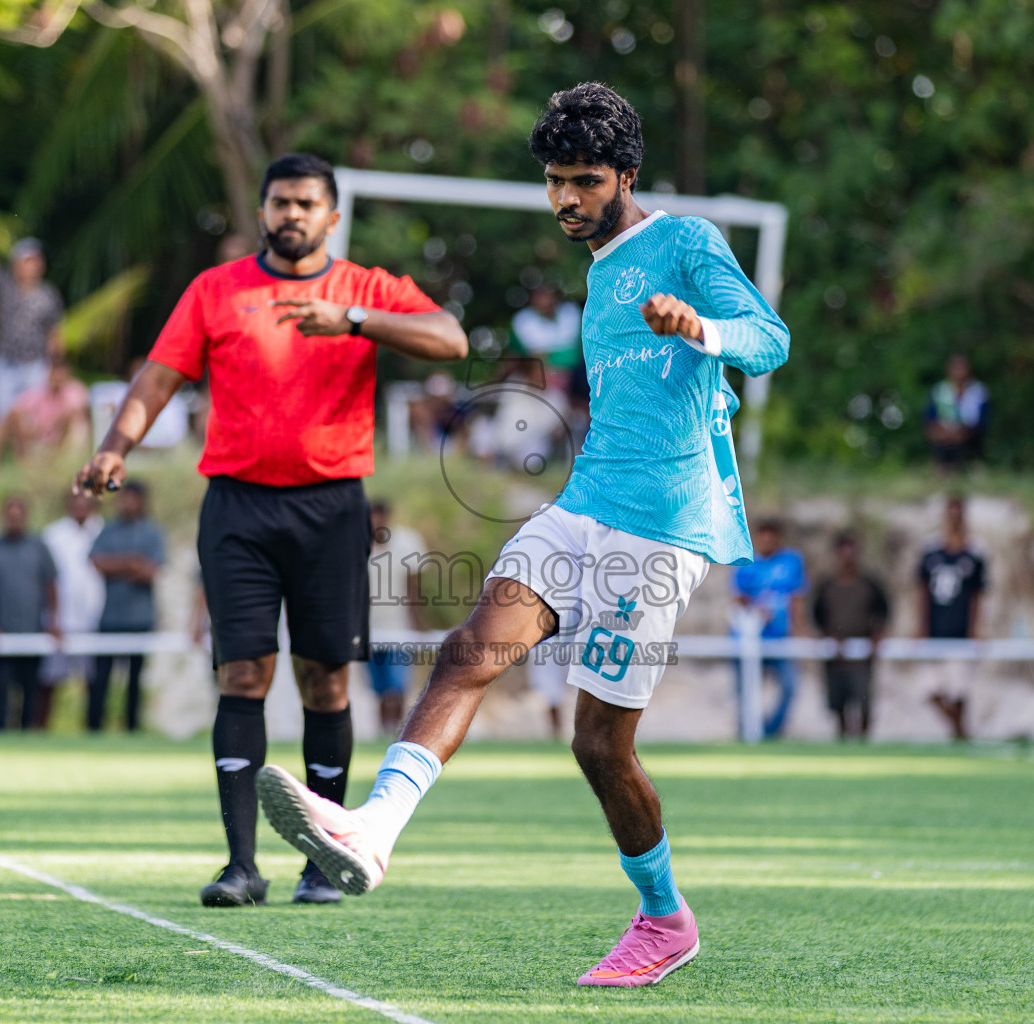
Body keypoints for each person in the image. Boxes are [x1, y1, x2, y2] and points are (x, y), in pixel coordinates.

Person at [252, 84, 789, 986]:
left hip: (663, 526)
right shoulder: (600, 269)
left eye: (583, 181)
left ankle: (664, 919)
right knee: (467, 651)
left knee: (596, 747)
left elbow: (768, 340)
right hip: (584, 505)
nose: (565, 200)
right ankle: (371, 832)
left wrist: (700, 326)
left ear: (625, 174)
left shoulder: (686, 243)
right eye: (553, 182)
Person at [74, 151, 465, 909]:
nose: (292, 214)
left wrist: (352, 320)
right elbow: (159, 377)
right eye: (280, 202)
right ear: (262, 211)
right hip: (239, 509)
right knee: (242, 676)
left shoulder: (363, 288)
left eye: (307, 203)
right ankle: (240, 866)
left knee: (325, 681)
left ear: (332, 216)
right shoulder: (217, 290)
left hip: (331, 507)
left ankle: (323, 863)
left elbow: (450, 339)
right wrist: (114, 446)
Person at [0, 228, 64, 468]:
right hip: (5, 362)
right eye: (27, 261)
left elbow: (54, 335)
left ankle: (29, 467)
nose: (32, 266)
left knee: (32, 419)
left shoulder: (48, 295)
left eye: (36, 261)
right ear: (16, 264)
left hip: (35, 364)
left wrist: (56, 367)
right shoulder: (5, 286)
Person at [87, 481, 166, 734]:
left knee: (134, 680)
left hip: (140, 619)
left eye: (132, 499)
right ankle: (94, 728)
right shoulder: (108, 531)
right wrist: (131, 564)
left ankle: (131, 728)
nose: (127, 504)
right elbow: (97, 562)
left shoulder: (152, 533)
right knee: (101, 678)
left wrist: (123, 567)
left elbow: (153, 571)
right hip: (110, 617)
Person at [0, 496, 60, 731]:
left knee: (31, 695)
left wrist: (53, 622)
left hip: (33, 633)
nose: (14, 520)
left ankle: (27, 742)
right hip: (3, 635)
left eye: (18, 515)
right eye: (10, 516)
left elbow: (50, 586)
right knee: (2, 696)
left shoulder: (39, 548)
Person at [730, 519, 808, 738]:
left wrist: (799, 630)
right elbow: (738, 598)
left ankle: (772, 730)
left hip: (778, 637)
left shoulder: (791, 561)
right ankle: (748, 730)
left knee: (790, 685)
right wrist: (757, 612)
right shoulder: (745, 560)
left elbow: (797, 597)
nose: (767, 540)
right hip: (749, 638)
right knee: (746, 689)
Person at [918, 495, 986, 740]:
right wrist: (921, 626)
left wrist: (976, 628)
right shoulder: (931, 553)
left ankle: (959, 733)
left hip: (960, 632)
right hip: (936, 630)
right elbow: (921, 591)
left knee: (959, 690)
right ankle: (961, 733)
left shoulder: (974, 555)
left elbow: (979, 595)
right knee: (929, 689)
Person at [812, 533, 890, 740]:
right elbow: (816, 617)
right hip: (836, 655)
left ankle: (864, 741)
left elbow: (883, 611)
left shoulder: (869, 584)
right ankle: (843, 741)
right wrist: (828, 637)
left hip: (862, 653)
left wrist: (877, 636)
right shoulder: (827, 586)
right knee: (839, 703)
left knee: (863, 700)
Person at [40, 492, 106, 728]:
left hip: (94, 620)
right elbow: (48, 580)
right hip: (61, 621)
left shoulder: (103, 532)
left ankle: (93, 731)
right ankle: (39, 733)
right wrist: (52, 618)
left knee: (94, 683)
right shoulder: (52, 535)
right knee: (49, 682)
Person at [367, 501, 426, 736]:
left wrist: (418, 623)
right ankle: (385, 731)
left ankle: (397, 730)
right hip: (368, 627)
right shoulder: (355, 544)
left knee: (396, 685)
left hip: (398, 626)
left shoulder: (406, 542)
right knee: (380, 688)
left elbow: (413, 587)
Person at [7, 361, 91, 459]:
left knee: (71, 420)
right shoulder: (39, 391)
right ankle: (23, 459)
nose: (57, 378)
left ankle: (56, 455)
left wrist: (53, 425)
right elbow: (15, 411)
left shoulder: (75, 390)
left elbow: (72, 413)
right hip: (43, 434)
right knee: (20, 419)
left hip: (66, 435)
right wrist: (31, 429)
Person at [510, 283, 583, 387]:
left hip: (576, 372)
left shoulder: (570, 312)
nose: (545, 302)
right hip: (545, 375)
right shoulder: (523, 320)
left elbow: (575, 352)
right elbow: (533, 356)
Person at [924, 354, 989, 470]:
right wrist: (942, 433)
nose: (959, 372)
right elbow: (930, 418)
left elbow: (982, 421)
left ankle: (968, 464)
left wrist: (963, 432)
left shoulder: (978, 391)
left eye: (962, 368)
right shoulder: (940, 390)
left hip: (969, 436)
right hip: (943, 436)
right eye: (956, 368)